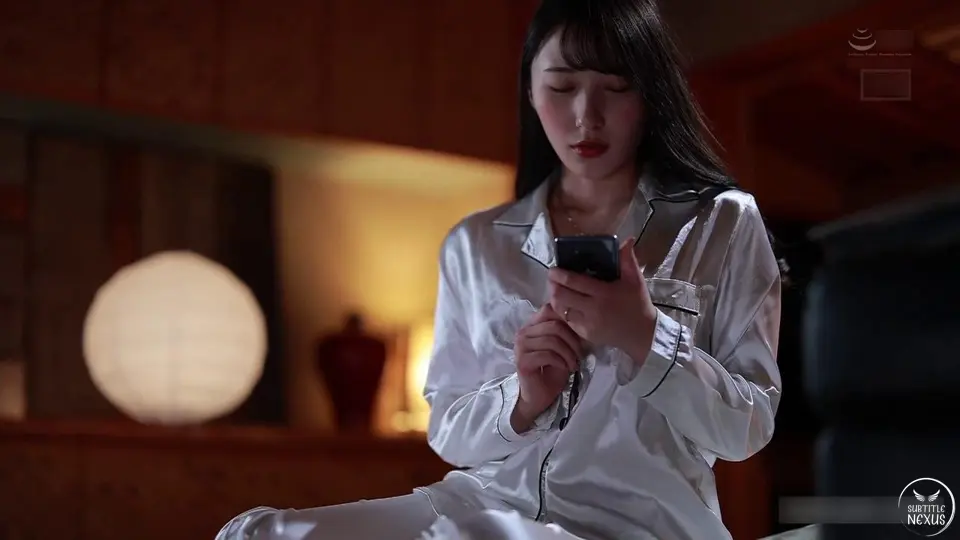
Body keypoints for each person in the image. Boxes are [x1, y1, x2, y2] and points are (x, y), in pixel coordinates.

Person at [215, 0, 782, 539]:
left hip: (637, 525)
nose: (586, 117)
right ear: (531, 91)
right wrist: (524, 396)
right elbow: (449, 431)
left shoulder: (723, 223)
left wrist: (644, 336)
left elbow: (748, 426)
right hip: (483, 503)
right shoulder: (476, 243)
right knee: (258, 532)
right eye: (562, 87)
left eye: (615, 87)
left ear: (652, 94)